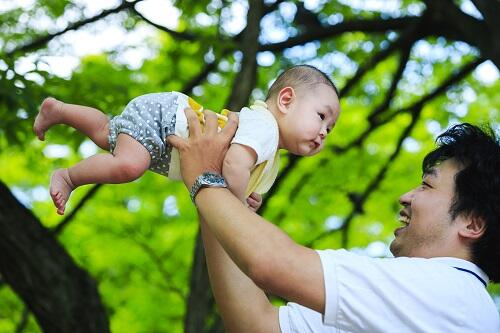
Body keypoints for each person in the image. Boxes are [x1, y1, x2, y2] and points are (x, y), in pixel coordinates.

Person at [168, 112, 500, 332]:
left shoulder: (448, 292)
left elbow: (273, 265)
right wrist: (220, 192)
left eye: (427, 185)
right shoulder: (408, 309)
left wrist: (206, 180)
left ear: (472, 223)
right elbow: (257, 323)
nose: (406, 197)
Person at [33, 65, 340, 214]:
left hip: (165, 126)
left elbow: (230, 172)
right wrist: (235, 210)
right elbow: (233, 164)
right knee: (128, 166)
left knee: (107, 134)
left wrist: (245, 195)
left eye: (331, 127)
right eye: (321, 116)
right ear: (286, 100)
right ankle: (68, 177)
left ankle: (58, 110)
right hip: (168, 118)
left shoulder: (269, 152)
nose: (325, 131)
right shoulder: (266, 127)